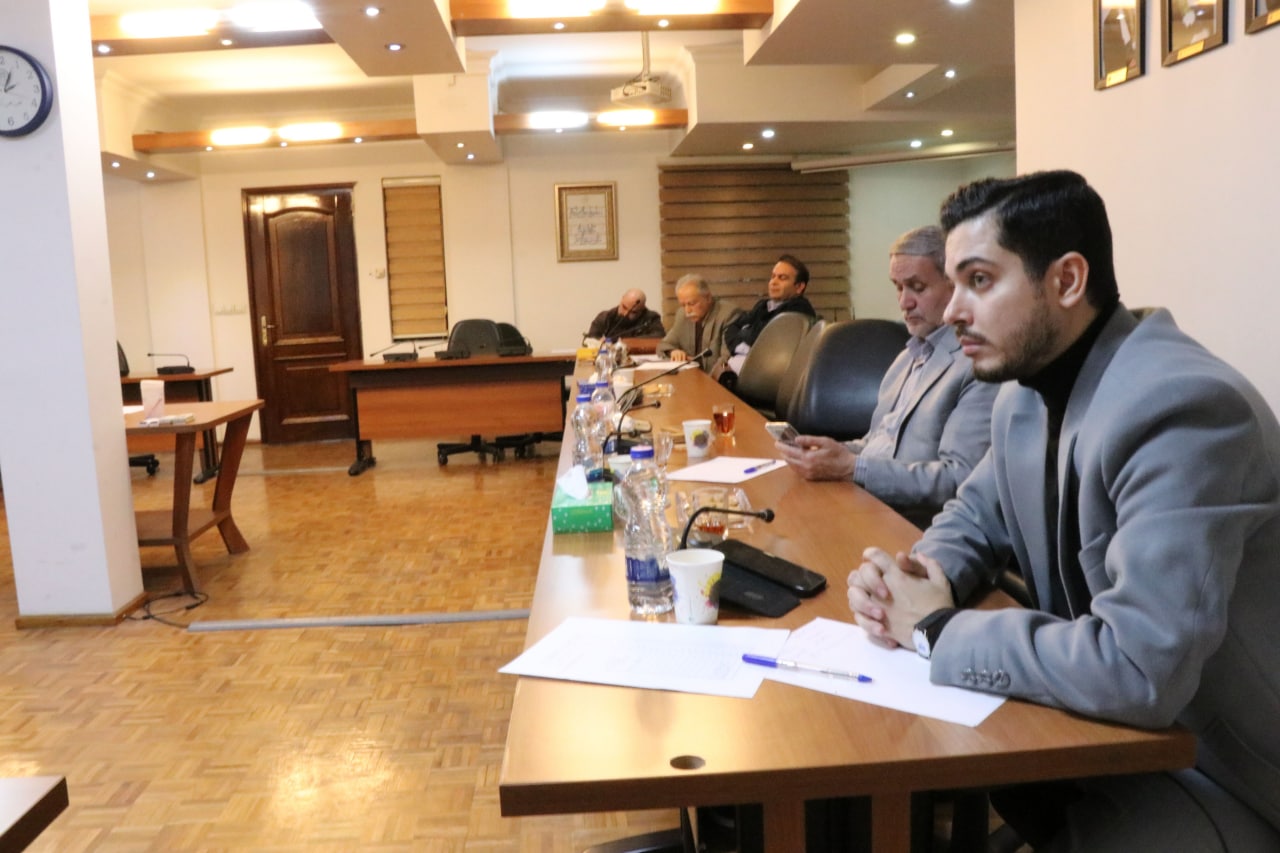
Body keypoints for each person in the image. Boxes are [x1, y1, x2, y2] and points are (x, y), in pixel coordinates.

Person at [848, 171, 1280, 851]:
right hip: (1100, 732)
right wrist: (914, 577)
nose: (953, 310)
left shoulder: (1184, 408)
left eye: (979, 281)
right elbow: (974, 513)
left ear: (1068, 280)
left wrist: (935, 627)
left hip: (1213, 768)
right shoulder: (1027, 390)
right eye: (953, 284)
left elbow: (1138, 667)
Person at [777, 226, 997, 528]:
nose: (904, 302)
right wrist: (831, 453)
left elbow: (959, 479)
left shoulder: (978, 366)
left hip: (915, 528)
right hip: (870, 508)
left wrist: (852, 468)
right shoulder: (906, 358)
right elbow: (878, 443)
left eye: (917, 287)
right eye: (898, 287)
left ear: (953, 286)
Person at [716, 254, 816, 380]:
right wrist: (746, 347)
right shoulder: (763, 306)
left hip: (765, 383)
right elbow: (731, 329)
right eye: (773, 276)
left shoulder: (799, 311)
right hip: (739, 374)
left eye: (782, 278)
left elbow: (766, 340)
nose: (774, 282)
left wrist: (745, 332)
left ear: (799, 287)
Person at [655, 273, 743, 371]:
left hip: (714, 378)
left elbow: (726, 361)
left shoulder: (728, 315)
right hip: (690, 376)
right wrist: (673, 352)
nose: (687, 310)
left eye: (692, 304)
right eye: (683, 305)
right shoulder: (682, 315)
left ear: (708, 298)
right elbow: (663, 345)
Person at [586, 288, 664, 340]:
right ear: (622, 299)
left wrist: (625, 343)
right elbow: (590, 340)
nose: (625, 313)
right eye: (624, 307)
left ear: (642, 309)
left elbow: (659, 337)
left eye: (633, 312)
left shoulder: (651, 319)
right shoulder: (605, 317)